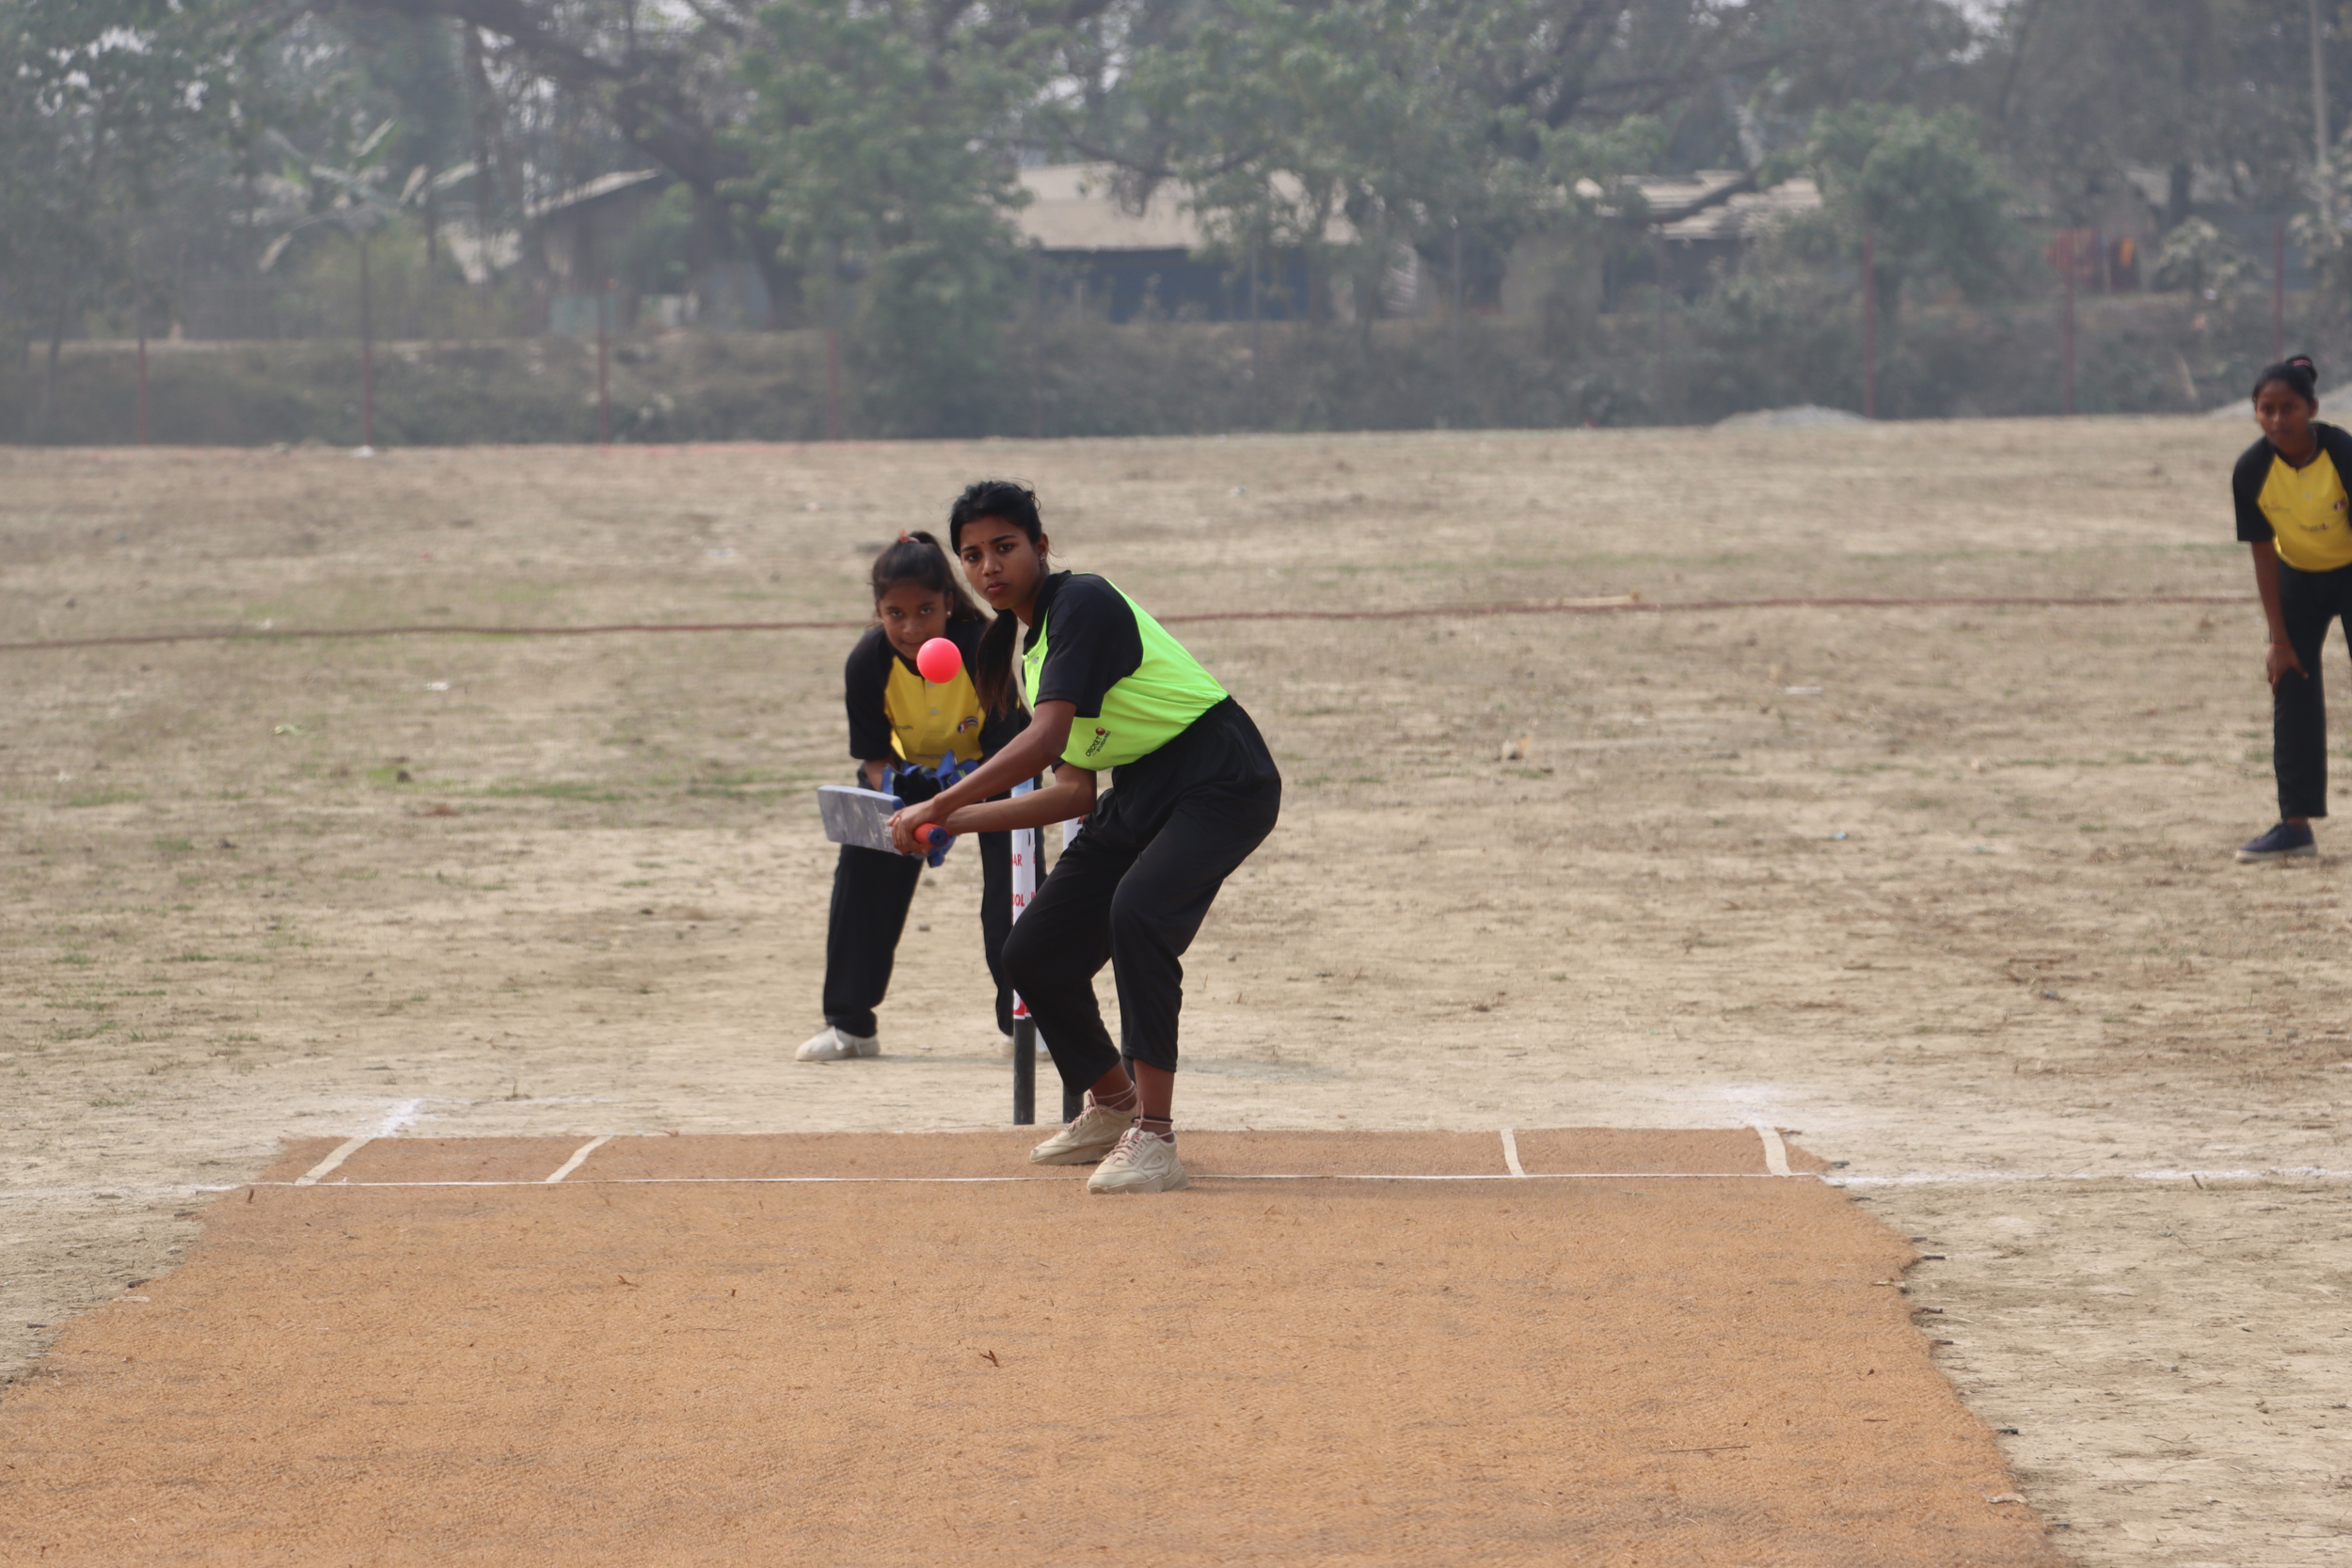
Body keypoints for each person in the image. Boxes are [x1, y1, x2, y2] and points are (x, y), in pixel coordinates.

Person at [888, 481, 1281, 1194]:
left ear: (1040, 546)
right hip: (1142, 790)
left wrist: (942, 797)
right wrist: (952, 821)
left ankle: (1156, 1138)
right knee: (1031, 952)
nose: (989, 568)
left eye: (1004, 547)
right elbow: (1072, 789)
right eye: (972, 556)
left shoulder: (1085, 603)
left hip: (1222, 775)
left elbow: (1044, 742)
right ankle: (1113, 1103)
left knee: (1139, 913)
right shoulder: (1034, 650)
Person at [797, 531, 1027, 1060]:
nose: (911, 627)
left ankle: (1028, 1020)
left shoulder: (981, 645)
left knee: (1012, 897)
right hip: (906, 780)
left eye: (926, 610)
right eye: (894, 613)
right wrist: (901, 813)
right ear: (877, 611)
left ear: (949, 602)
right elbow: (875, 758)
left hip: (996, 772)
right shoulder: (866, 662)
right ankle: (850, 1026)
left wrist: (948, 811)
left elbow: (1006, 751)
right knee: (862, 878)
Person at [2233, 356, 2352, 863]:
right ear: (2256, 413)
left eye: (2289, 408)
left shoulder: (2343, 452)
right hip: (2296, 580)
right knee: (2292, 687)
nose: (2278, 420)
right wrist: (2278, 641)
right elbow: (2263, 554)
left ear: (2312, 408)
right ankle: (2294, 827)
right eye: (2267, 409)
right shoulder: (2252, 470)